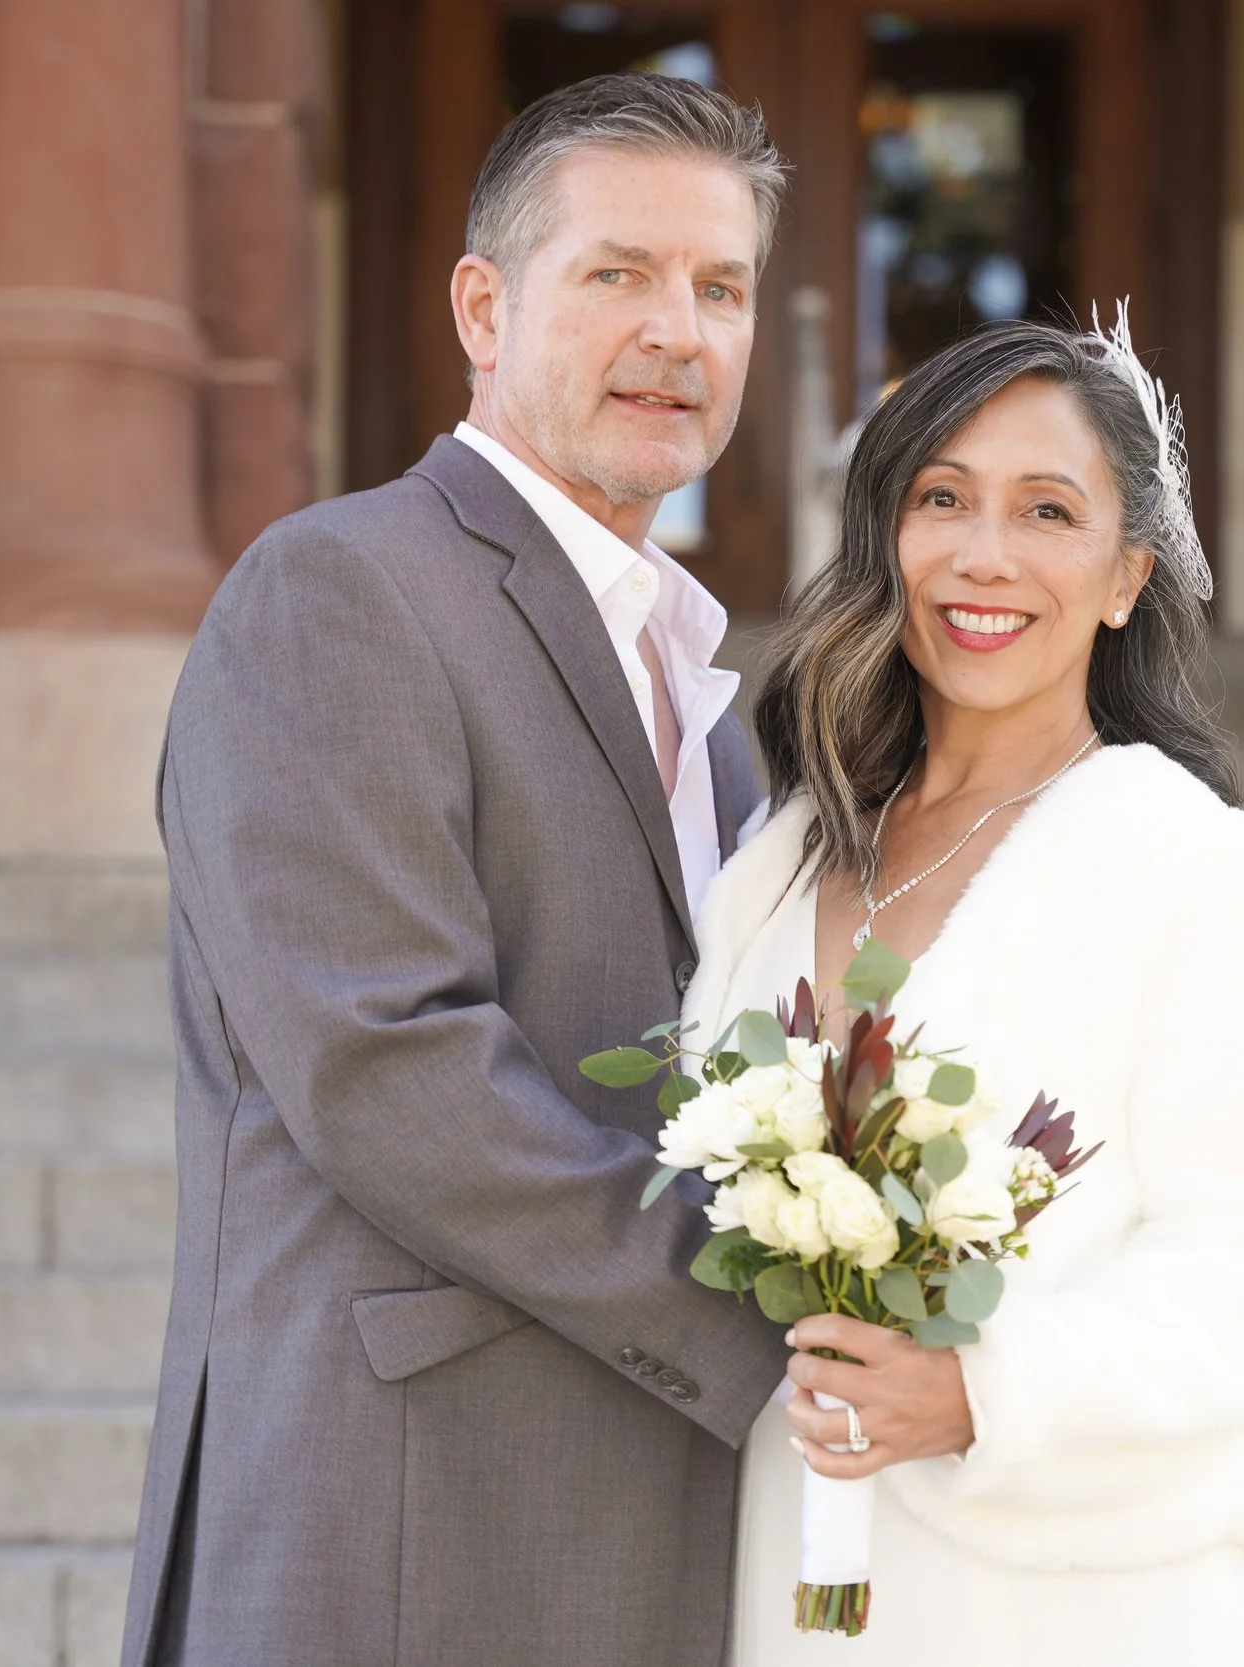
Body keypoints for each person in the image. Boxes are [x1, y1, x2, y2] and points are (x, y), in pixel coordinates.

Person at [119, 74, 793, 1667]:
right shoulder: (341, 589)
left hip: (649, 1527)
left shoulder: (712, 697)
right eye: (617, 273)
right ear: (483, 309)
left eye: (722, 287)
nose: (679, 332)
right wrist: (764, 1311)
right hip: (408, 1536)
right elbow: (386, 1059)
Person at [683, 312, 1244, 1663]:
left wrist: (983, 1387)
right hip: (794, 1569)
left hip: (1068, 1601)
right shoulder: (782, 856)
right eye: (943, 498)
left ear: (1125, 578)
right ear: (888, 536)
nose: (983, 555)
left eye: (1047, 510)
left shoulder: (1196, 868)